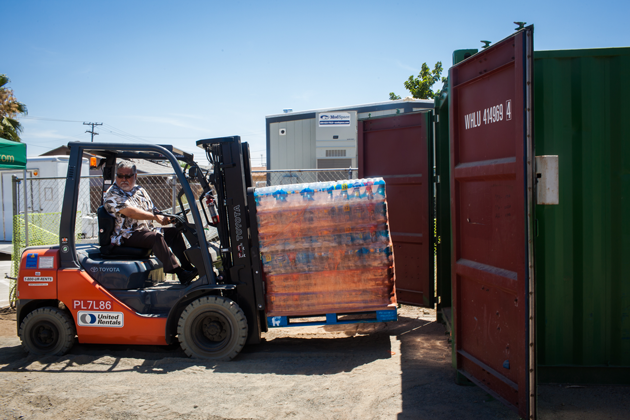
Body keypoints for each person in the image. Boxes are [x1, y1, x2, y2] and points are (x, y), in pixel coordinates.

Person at [102, 161, 197, 285]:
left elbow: (153, 209)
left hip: (143, 231)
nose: (123, 179)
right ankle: (180, 273)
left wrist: (163, 218)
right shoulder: (112, 193)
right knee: (155, 237)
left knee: (173, 232)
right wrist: (155, 217)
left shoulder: (139, 190)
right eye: (120, 176)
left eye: (128, 176)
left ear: (135, 176)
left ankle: (188, 267)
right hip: (125, 235)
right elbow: (130, 212)